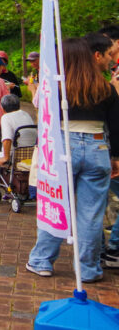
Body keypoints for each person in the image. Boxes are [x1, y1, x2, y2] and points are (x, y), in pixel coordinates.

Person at [26, 37, 119, 283]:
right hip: (98, 146)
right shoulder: (106, 88)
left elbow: (43, 116)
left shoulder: (55, 87)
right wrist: (116, 156)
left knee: (54, 204)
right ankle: (88, 269)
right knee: (91, 213)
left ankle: (42, 260)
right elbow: (116, 126)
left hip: (61, 146)